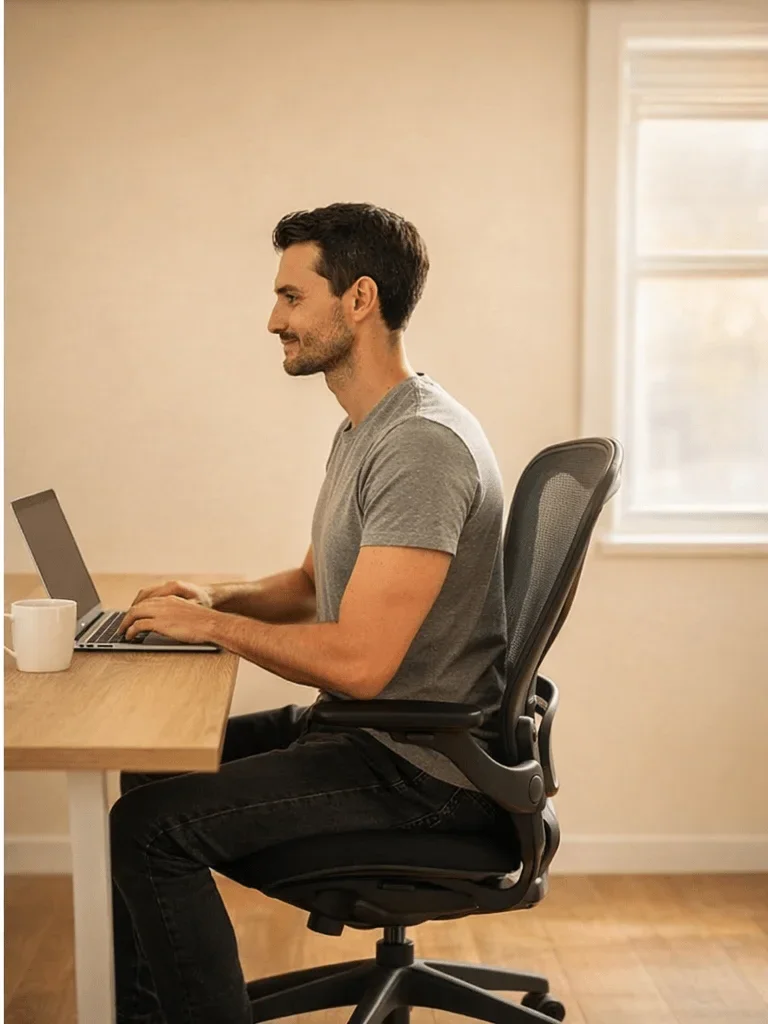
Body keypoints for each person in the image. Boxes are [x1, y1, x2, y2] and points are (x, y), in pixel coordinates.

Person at [112, 202, 509, 1024]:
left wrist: (214, 631)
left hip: (423, 772)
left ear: (358, 300)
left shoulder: (421, 446)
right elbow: (309, 582)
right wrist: (214, 598)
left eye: (292, 298)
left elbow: (363, 663)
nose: (273, 320)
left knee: (148, 828)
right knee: (151, 766)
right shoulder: (368, 429)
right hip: (376, 733)